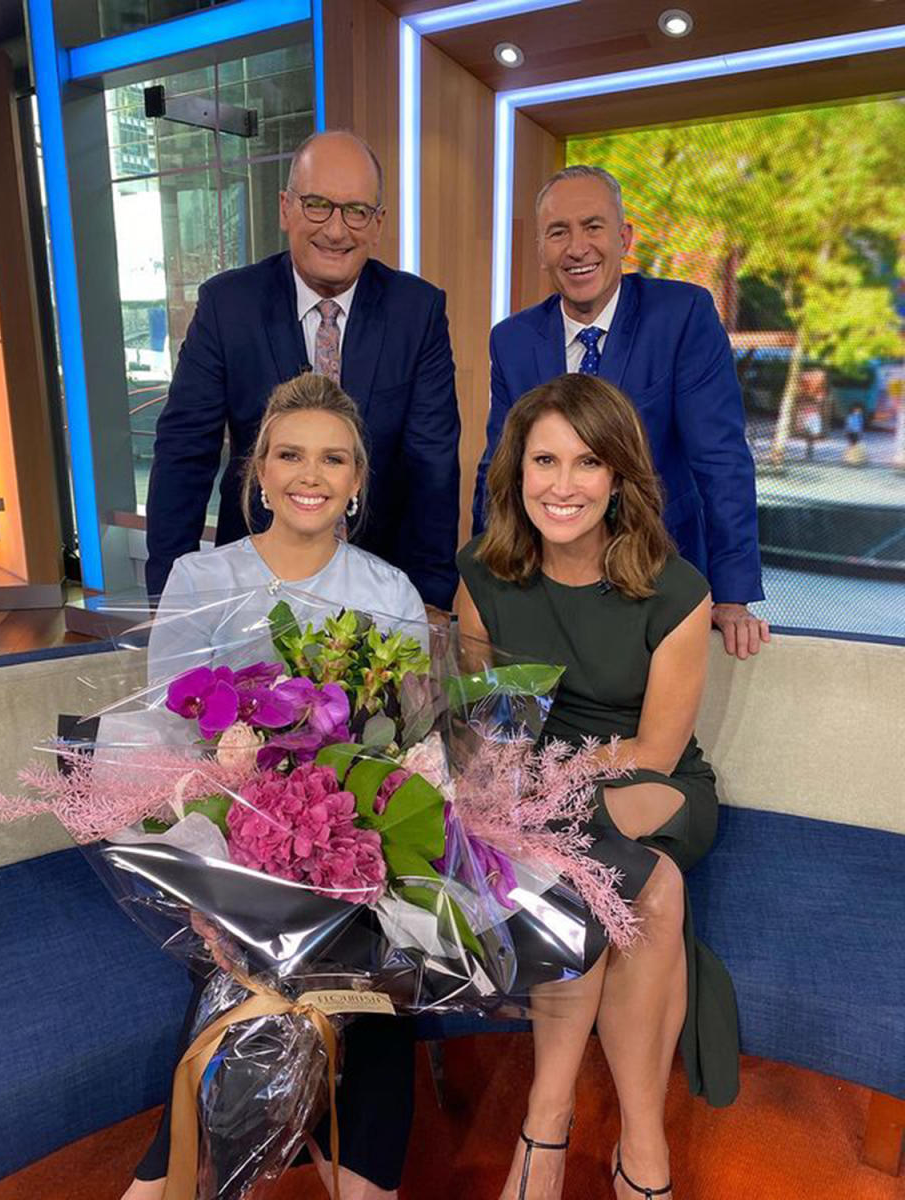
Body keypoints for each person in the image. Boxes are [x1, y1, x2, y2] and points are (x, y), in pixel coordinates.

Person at [123, 373, 427, 1200]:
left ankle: (209, 1179)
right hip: (227, 857)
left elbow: (403, 753)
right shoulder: (200, 578)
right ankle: (197, 1173)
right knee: (270, 976)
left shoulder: (388, 593)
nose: (310, 475)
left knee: (376, 971)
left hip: (350, 861)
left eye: (333, 459)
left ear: (358, 481)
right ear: (257, 472)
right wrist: (206, 873)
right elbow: (163, 743)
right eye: (290, 455)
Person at [458, 373, 738, 1200]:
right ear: (517, 471)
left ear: (618, 477)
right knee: (650, 886)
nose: (564, 484)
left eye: (587, 463)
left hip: (646, 780)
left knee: (591, 860)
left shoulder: (676, 588)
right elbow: (482, 727)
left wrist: (554, 780)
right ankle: (638, 1147)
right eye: (545, 460)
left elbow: (656, 743)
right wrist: (509, 782)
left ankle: (543, 1134)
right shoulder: (481, 573)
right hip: (529, 791)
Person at [145, 129, 460, 611]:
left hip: (378, 587)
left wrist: (431, 598)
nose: (336, 230)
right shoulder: (228, 305)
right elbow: (185, 453)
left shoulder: (417, 312)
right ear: (285, 208)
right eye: (317, 205)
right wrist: (170, 599)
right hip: (252, 585)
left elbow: (432, 465)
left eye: (356, 211)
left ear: (378, 224)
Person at [472, 165, 770, 659]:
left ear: (624, 237)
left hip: (659, 575)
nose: (577, 247)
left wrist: (732, 593)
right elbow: (498, 469)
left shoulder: (682, 315)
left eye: (593, 227)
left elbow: (721, 460)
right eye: (558, 232)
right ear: (542, 248)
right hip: (548, 584)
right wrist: (483, 581)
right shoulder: (512, 340)